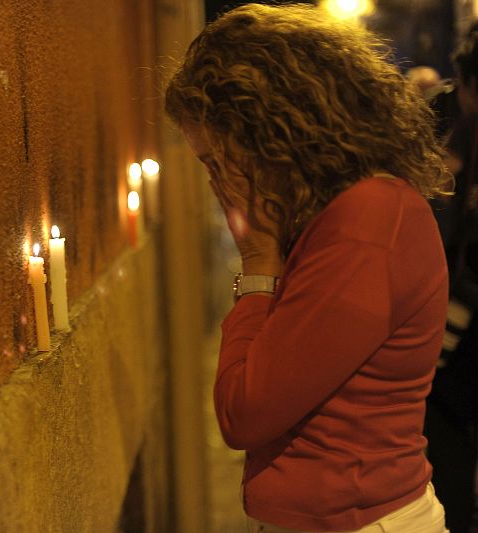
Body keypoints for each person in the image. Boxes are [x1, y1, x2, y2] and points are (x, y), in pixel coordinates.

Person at [165, 4, 452, 532]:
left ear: (271, 133)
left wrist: (256, 265)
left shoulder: (365, 222)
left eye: (214, 159)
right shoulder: (331, 213)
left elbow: (244, 412)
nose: (212, 182)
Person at [425, 29, 478, 533]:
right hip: (459, 324)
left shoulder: (461, 128)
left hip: (460, 336)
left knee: (445, 435)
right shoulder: (457, 125)